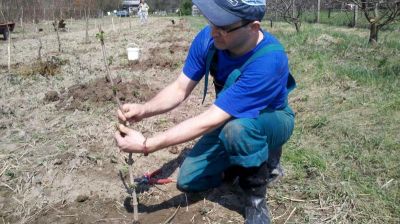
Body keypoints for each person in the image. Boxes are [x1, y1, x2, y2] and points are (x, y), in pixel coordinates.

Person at [115, 0, 296, 223]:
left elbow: (212, 118)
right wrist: (145, 109)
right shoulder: (210, 39)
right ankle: (241, 158)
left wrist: (147, 145)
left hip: (270, 119)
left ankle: (256, 197)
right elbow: (180, 87)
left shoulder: (270, 60)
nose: (214, 31)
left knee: (239, 129)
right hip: (229, 116)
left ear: (253, 27)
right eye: (212, 22)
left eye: (224, 27)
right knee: (189, 180)